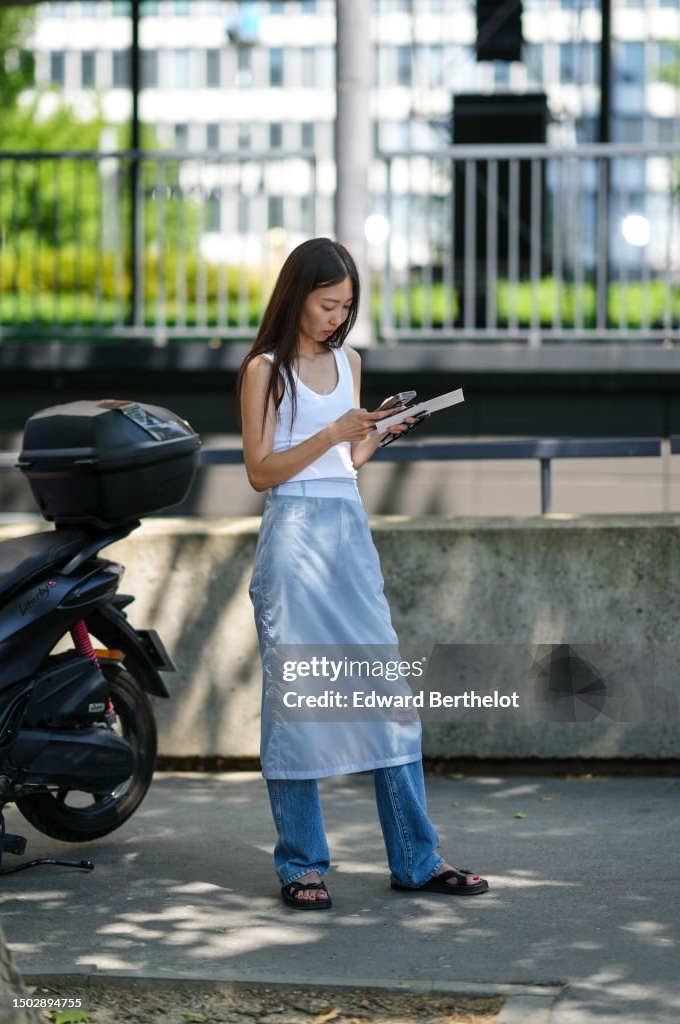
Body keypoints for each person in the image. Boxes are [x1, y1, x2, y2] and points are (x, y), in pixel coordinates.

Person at [237, 237, 488, 910]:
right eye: (326, 304)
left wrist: (373, 436)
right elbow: (261, 472)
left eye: (346, 306)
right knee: (297, 700)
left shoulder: (349, 361)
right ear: (296, 296)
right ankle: (301, 864)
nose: (336, 318)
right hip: (293, 535)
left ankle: (416, 858)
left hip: (346, 532)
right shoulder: (264, 369)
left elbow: (340, 466)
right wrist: (331, 433)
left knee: (390, 698)